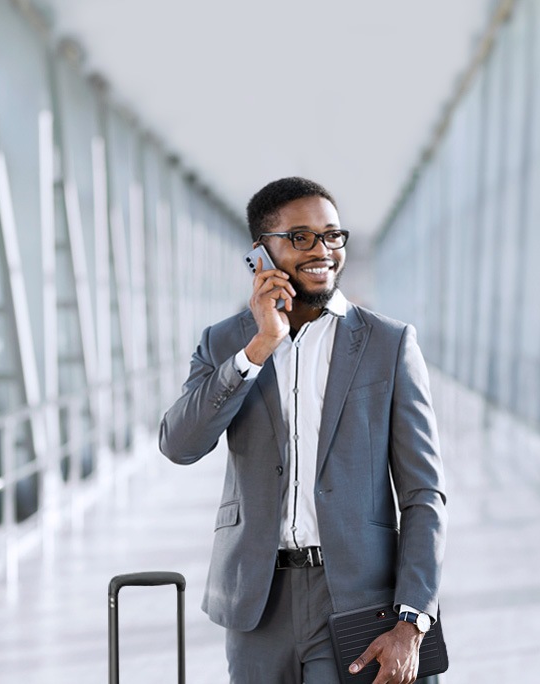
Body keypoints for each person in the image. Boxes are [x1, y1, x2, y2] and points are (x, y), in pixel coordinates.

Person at [159, 177, 447, 684]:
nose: (322, 251)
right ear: (260, 254)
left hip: (361, 599)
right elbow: (179, 444)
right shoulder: (225, 341)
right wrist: (256, 351)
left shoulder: (389, 343)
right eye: (300, 237)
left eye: (332, 236)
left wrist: (414, 620)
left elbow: (424, 492)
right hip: (257, 602)